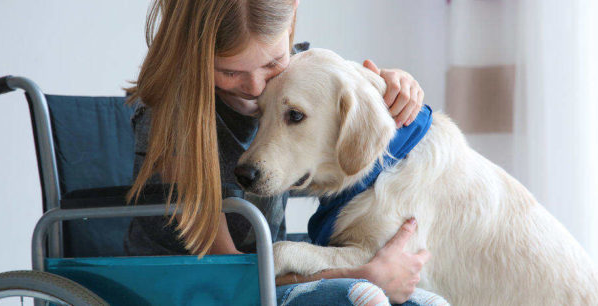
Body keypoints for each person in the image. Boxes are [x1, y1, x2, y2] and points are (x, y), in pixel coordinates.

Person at [124, 1, 444, 305]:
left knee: (428, 301)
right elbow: (227, 267)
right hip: (189, 287)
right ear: (194, 48)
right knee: (365, 295)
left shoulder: (294, 76)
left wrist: (392, 83)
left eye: (271, 64)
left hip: (268, 275)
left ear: (293, 11)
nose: (255, 87)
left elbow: (341, 92)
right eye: (231, 71)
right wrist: (361, 275)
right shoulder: (171, 118)